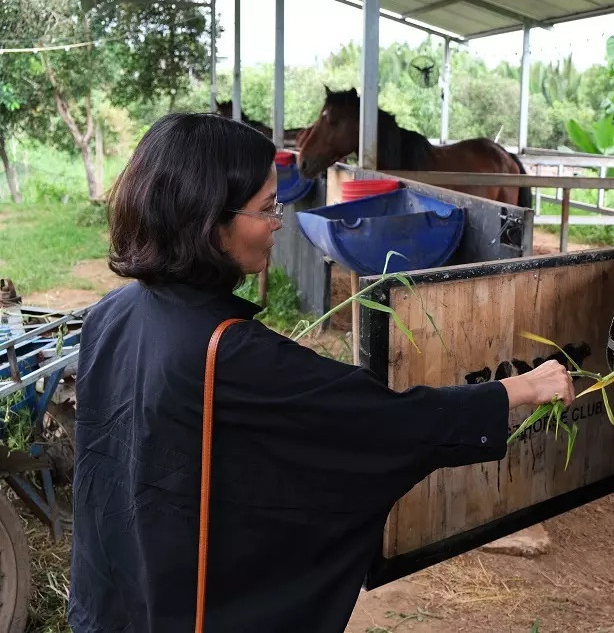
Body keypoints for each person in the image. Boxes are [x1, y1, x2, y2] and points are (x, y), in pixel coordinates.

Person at [68, 113, 576, 633]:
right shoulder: (230, 353)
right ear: (208, 221)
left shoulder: (109, 314)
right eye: (267, 209)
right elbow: (379, 425)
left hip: (110, 600)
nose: (277, 223)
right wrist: (515, 388)